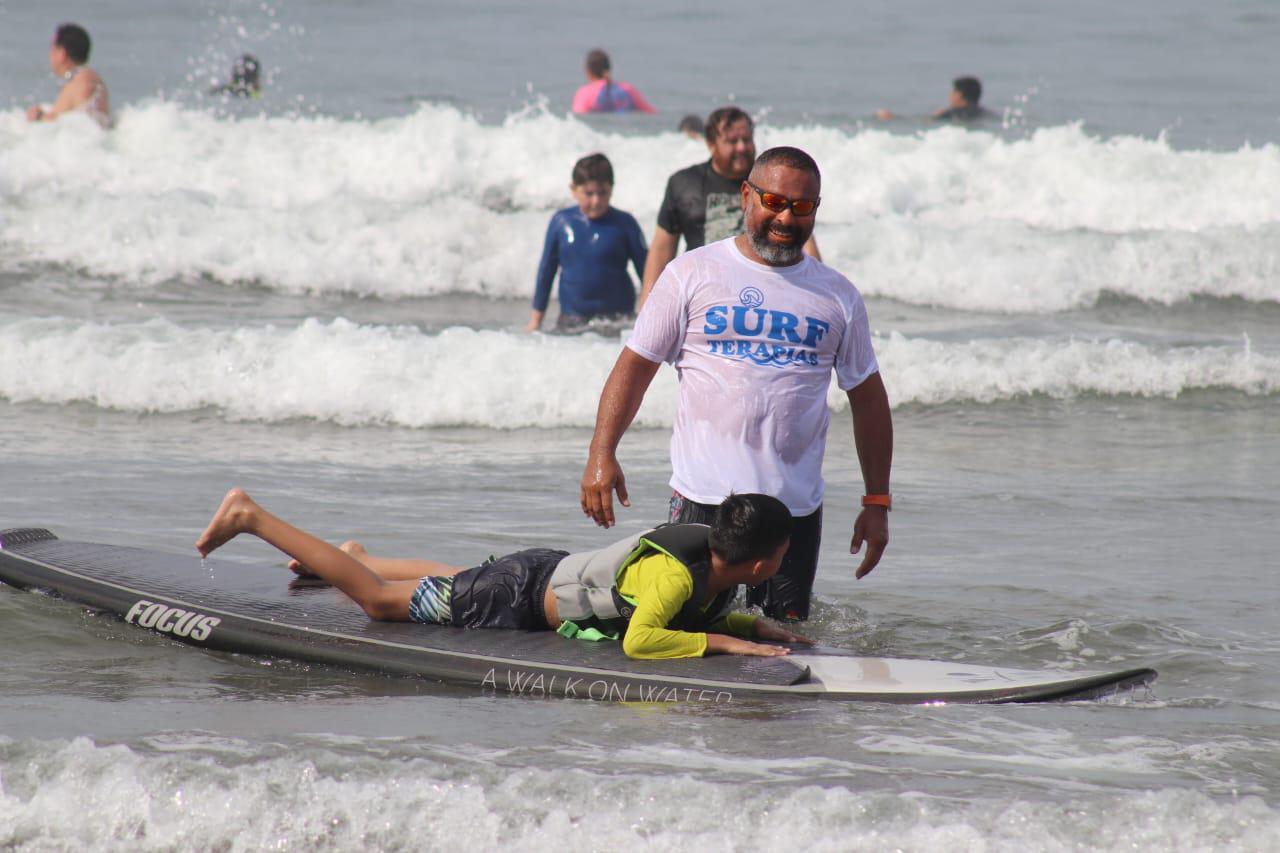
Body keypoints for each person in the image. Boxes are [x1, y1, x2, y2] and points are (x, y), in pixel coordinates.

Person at [581, 147, 894, 623]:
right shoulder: (692, 273)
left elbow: (868, 399)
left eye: (802, 206)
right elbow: (635, 366)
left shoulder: (838, 296)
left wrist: (876, 501)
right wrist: (602, 454)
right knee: (684, 636)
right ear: (746, 196)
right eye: (774, 201)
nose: (786, 217)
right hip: (702, 502)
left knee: (780, 648)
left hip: (791, 513)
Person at [195, 488, 812, 659]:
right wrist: (727, 641)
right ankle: (252, 517)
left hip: (535, 576)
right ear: (760, 560)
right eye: (781, 555)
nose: (781, 565)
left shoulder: (716, 565)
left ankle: (351, 555)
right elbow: (644, 639)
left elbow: (688, 613)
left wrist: (751, 627)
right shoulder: (677, 576)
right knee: (382, 603)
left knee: (453, 579)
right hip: (516, 597)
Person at [639, 107, 819, 308]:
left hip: (768, 292)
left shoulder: (772, 183)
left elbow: (801, 237)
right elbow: (661, 249)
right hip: (704, 293)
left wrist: (817, 297)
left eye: (747, 139)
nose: (742, 147)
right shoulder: (684, 184)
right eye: (732, 141)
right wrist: (648, 307)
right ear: (710, 144)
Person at [527, 153, 648, 333]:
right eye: (589, 193)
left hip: (619, 320)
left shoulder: (625, 223)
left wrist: (649, 317)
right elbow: (546, 271)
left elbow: (648, 273)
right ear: (573, 189)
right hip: (572, 320)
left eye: (602, 193)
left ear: (612, 189)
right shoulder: (561, 222)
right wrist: (536, 320)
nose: (596, 201)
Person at [26, 23, 110, 127]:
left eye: (52, 50)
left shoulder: (76, 83)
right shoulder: (94, 79)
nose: (50, 55)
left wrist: (39, 116)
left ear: (62, 54)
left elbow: (58, 123)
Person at [571, 49, 656, 115]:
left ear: (588, 71)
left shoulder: (584, 92)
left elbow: (579, 118)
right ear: (609, 69)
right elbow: (650, 112)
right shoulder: (627, 89)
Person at [876, 76, 993, 122]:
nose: (950, 95)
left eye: (952, 92)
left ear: (959, 94)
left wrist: (893, 117)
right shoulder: (987, 113)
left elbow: (924, 121)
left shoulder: (954, 113)